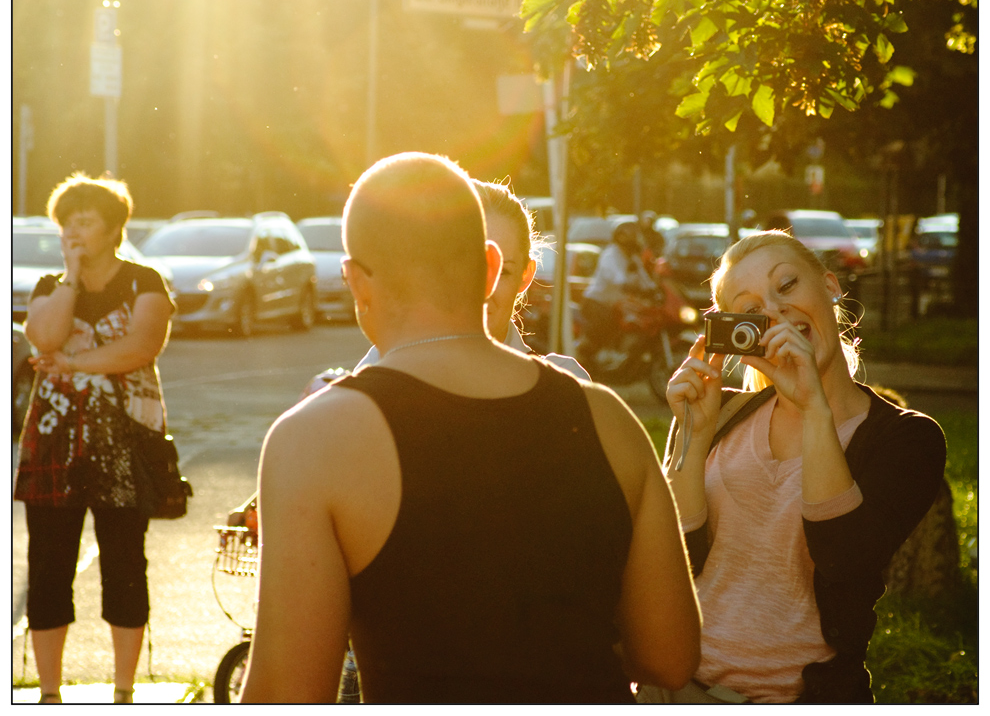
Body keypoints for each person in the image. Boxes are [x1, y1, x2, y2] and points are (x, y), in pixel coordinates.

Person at [239, 152, 701, 703]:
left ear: (355, 281)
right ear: (488, 266)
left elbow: (288, 695)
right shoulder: (606, 418)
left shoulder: (314, 440)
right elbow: (670, 658)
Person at [662, 230, 946, 703]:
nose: (773, 311)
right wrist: (693, 436)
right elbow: (674, 564)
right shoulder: (718, 414)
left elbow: (844, 558)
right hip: (675, 692)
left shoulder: (906, 439)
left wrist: (815, 410)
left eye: (787, 285)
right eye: (751, 310)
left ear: (831, 286)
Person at [13, 173, 175, 704]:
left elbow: (141, 346)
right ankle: (50, 693)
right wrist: (70, 277)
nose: (74, 232)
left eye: (85, 222)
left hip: (128, 443)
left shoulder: (144, 281)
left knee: (126, 563)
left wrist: (74, 364)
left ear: (113, 230)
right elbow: (44, 336)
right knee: (49, 566)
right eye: (67, 223)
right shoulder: (48, 288)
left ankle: (125, 691)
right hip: (55, 441)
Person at [348, 179, 589, 381]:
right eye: (465, 269)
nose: (481, 290)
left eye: (502, 272)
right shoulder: (381, 371)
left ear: (525, 276)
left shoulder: (564, 384)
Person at [579, 217, 657, 363]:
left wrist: (654, 289)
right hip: (596, 302)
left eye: (635, 234)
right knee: (610, 322)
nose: (633, 238)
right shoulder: (610, 255)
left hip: (615, 304)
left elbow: (645, 279)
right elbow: (618, 279)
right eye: (628, 234)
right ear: (619, 236)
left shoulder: (632, 258)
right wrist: (635, 288)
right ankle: (594, 355)